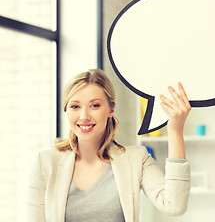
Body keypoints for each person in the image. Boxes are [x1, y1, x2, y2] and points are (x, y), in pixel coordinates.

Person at [27, 69, 191, 222]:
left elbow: (174, 205)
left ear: (111, 109)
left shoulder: (137, 159)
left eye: (95, 105)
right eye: (75, 106)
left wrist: (175, 130)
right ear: (66, 110)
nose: (84, 116)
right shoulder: (45, 163)